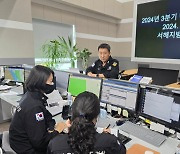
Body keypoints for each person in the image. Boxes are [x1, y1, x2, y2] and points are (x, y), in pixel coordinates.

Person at [47, 91, 126, 154]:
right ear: (96, 117)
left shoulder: (55, 144)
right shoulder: (110, 141)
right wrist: (106, 136)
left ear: (72, 115)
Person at [9, 65, 64, 154]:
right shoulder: (34, 106)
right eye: (50, 81)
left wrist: (51, 126)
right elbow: (40, 143)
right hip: (26, 148)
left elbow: (47, 115)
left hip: (19, 141)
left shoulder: (31, 95)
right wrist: (57, 131)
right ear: (41, 82)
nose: (52, 84)